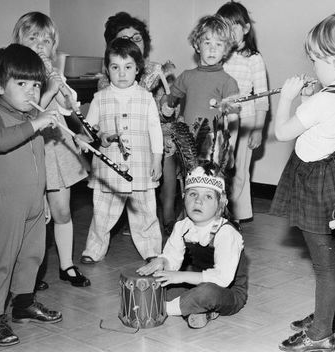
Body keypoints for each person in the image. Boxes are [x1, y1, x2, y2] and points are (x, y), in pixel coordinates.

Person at [270, 13, 335, 352]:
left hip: (316, 182)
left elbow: (283, 131)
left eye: (315, 60)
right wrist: (308, 98)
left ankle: (320, 335)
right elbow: (321, 125)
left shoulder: (328, 99)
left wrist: (286, 97)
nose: (313, 67)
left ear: (334, 59)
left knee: (325, 267)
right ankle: (331, 318)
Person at [0, 44, 63, 347]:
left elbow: (36, 163)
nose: (31, 92)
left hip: (32, 204)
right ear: (0, 85)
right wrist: (36, 123)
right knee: (3, 260)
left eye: (36, 85)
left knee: (33, 256)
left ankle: (23, 304)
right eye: (21, 84)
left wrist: (41, 198)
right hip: (7, 206)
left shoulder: (30, 118)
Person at [12, 12, 90, 288]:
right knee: (35, 217)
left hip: (57, 150)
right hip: (32, 152)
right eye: (33, 38)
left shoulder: (53, 75)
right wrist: (47, 92)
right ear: (19, 41)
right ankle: (30, 273)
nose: (40, 45)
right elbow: (25, 115)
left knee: (62, 212)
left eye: (46, 40)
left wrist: (63, 90)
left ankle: (66, 265)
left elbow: (69, 109)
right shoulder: (17, 79)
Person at [79, 37, 163, 264]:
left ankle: (152, 250)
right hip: (109, 171)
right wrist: (94, 137)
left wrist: (157, 160)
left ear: (138, 69)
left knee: (145, 213)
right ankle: (94, 250)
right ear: (107, 69)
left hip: (141, 168)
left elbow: (156, 131)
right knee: (102, 213)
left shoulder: (146, 98)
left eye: (128, 67)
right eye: (115, 67)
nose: (122, 73)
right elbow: (90, 130)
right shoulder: (99, 98)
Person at [97, 12, 178, 237]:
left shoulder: (157, 69)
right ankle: (127, 216)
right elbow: (107, 113)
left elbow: (168, 110)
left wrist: (166, 99)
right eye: (125, 39)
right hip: (124, 134)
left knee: (167, 151)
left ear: (145, 42)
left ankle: (169, 217)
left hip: (157, 129)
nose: (132, 43)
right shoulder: (110, 74)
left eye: (137, 38)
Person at [137, 165, 248, 329]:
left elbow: (223, 278)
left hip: (227, 291)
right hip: (194, 280)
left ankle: (164, 309)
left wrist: (180, 277)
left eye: (208, 196)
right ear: (184, 197)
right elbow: (173, 258)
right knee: (160, 285)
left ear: (221, 203)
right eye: (193, 194)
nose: (198, 201)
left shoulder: (226, 233)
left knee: (206, 293)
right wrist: (163, 262)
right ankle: (201, 311)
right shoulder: (182, 226)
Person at [161, 14, 239, 166]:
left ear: (226, 50)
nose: (212, 49)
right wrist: (167, 106)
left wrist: (230, 149)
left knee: (210, 186)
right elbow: (171, 98)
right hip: (188, 141)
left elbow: (233, 120)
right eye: (207, 42)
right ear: (197, 45)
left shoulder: (228, 82)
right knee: (191, 184)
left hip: (214, 143)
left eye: (218, 44)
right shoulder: (186, 76)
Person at [217, 1, 269, 222]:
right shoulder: (218, 55)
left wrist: (258, 129)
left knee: (240, 169)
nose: (228, 31)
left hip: (246, 120)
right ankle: (216, 211)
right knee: (219, 165)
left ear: (246, 28)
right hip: (221, 119)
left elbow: (262, 97)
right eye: (223, 26)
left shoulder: (254, 58)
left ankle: (236, 216)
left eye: (233, 26)